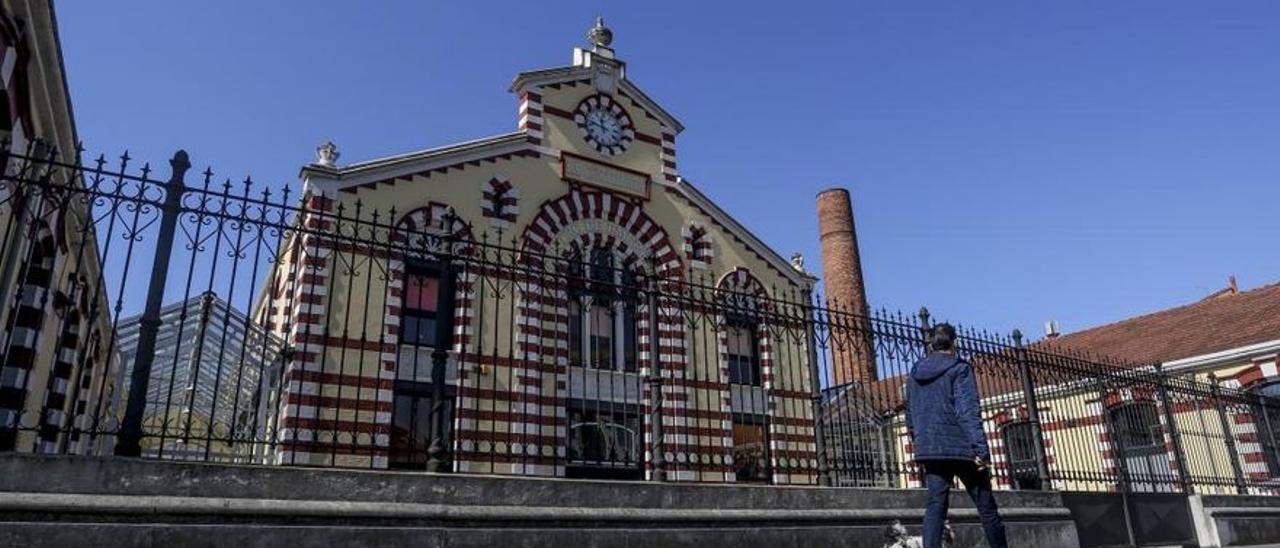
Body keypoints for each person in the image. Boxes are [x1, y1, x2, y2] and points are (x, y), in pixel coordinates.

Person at [905, 323, 1008, 548]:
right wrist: (981, 449)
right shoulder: (960, 368)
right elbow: (967, 411)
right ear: (955, 342)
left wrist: (920, 443)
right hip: (963, 449)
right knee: (987, 508)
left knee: (935, 508)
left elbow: (910, 414)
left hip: (931, 449)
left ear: (931, 344)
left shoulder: (914, 373)